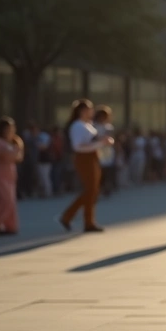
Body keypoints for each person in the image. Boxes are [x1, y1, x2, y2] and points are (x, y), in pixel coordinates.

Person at [60, 99, 111, 233]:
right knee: (90, 190)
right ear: (82, 111)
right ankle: (83, 220)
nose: (92, 112)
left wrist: (101, 142)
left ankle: (73, 217)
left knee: (93, 191)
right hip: (84, 158)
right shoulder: (77, 126)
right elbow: (78, 146)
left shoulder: (87, 125)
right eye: (90, 109)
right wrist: (100, 143)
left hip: (92, 156)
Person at [0, 117, 23, 236]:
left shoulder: (13, 142)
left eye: (11, 129)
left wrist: (17, 147)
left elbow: (19, 157)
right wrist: (4, 154)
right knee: (4, 201)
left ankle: (9, 226)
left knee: (11, 202)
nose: (10, 132)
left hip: (10, 175)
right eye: (7, 129)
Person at [94, 107, 117, 198]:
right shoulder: (94, 126)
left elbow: (111, 138)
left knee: (107, 171)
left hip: (107, 152)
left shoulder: (108, 127)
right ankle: (98, 189)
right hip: (97, 150)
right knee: (99, 171)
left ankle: (107, 188)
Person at [35, 125, 54, 198]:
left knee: (45, 177)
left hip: (46, 160)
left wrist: (39, 146)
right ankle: (43, 192)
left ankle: (48, 192)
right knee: (41, 177)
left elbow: (44, 146)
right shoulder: (37, 137)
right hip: (40, 160)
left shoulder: (44, 137)